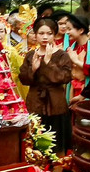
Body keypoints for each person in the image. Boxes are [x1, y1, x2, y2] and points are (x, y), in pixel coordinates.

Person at [19, 19, 73, 150]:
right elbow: (23, 79)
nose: (45, 37)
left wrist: (49, 63)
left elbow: (65, 77)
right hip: (35, 102)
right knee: (35, 143)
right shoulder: (31, 55)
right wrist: (33, 69)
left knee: (58, 144)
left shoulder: (62, 55)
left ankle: (57, 169)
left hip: (56, 103)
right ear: (35, 35)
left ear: (54, 35)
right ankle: (38, 169)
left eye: (49, 33)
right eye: (41, 33)